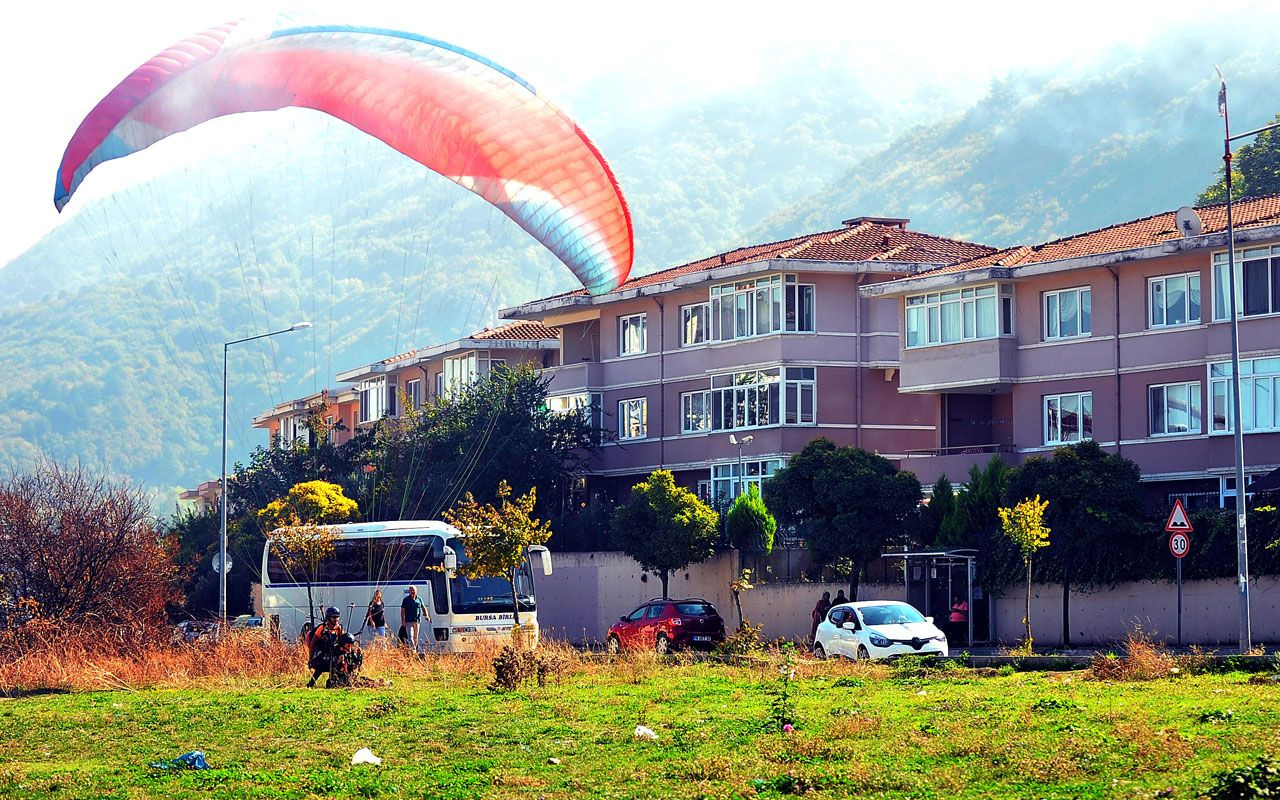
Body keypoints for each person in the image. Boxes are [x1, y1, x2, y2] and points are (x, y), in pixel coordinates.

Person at [307, 607, 344, 688]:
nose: (336, 619)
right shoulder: (322, 628)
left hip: (333, 651)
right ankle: (311, 683)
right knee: (320, 668)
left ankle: (332, 682)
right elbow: (313, 643)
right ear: (328, 617)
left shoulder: (339, 628)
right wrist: (311, 658)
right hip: (322, 652)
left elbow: (342, 643)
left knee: (339, 665)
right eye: (334, 617)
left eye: (337, 617)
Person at [400, 585, 430, 651]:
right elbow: (402, 610)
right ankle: (413, 650)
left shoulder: (419, 599)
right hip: (408, 621)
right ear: (409, 592)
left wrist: (426, 615)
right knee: (410, 636)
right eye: (411, 590)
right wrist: (403, 620)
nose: (412, 591)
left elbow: (423, 608)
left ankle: (414, 650)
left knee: (415, 637)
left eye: (413, 590)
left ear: (416, 591)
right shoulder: (405, 600)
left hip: (417, 621)